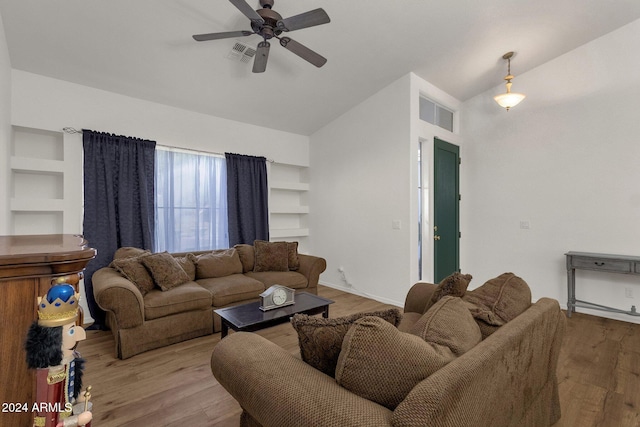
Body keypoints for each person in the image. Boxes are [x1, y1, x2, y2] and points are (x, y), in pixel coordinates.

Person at [25, 283, 93, 427]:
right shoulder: (51, 374)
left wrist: (74, 398)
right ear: (54, 339)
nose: (80, 335)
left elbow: (67, 388)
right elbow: (51, 420)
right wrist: (78, 420)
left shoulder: (69, 359)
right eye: (71, 331)